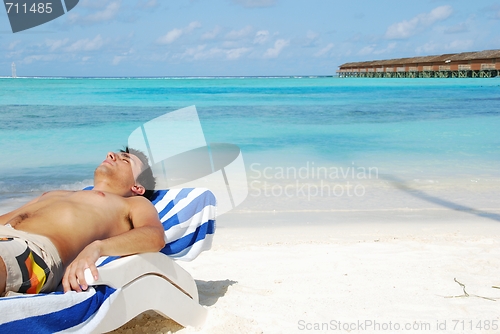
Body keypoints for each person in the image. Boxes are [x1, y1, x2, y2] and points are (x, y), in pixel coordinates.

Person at [0, 147, 165, 296]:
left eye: (124, 160)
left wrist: (97, 248)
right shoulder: (55, 194)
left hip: (33, 250)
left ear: (137, 187)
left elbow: (155, 236)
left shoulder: (132, 204)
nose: (110, 154)